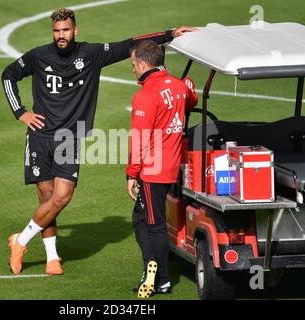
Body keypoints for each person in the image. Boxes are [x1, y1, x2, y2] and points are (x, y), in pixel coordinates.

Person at [1, 7, 196, 276]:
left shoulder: (90, 54)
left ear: (75, 30)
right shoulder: (37, 56)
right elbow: (8, 75)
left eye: (66, 30)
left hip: (68, 138)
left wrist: (170, 34)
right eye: (57, 31)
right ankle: (52, 257)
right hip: (39, 137)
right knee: (47, 198)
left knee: (62, 196)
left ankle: (19, 241)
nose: (61, 35)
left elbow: (129, 44)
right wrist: (20, 112)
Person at [126, 40, 198, 298]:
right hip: (172, 166)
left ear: (144, 64)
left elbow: (140, 138)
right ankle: (158, 275)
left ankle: (157, 276)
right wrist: (189, 86)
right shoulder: (178, 86)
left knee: (152, 224)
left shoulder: (145, 95)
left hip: (152, 170)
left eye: (133, 65)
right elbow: (192, 99)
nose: (133, 69)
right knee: (144, 219)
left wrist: (131, 173)